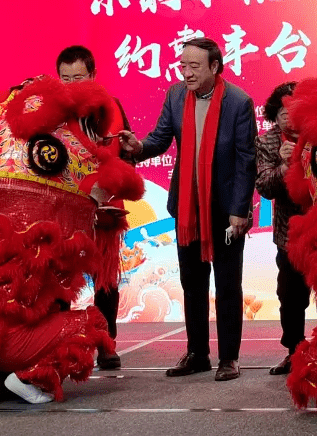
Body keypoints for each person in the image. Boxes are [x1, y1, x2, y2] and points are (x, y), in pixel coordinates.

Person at [118, 38, 257, 382]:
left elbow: (246, 161)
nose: (187, 73)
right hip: (187, 208)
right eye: (183, 66)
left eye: (194, 66)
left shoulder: (238, 102)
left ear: (214, 66)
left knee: (228, 285)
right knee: (192, 283)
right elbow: (160, 139)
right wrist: (138, 147)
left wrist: (240, 209)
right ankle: (197, 353)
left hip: (225, 211)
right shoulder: (177, 95)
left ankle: (229, 358)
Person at [56, 45, 127, 371]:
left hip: (104, 207)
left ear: (93, 75)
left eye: (79, 77)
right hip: (63, 208)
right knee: (59, 281)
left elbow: (125, 154)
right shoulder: (50, 113)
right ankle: (57, 346)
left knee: (105, 282)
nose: (72, 84)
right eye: (65, 78)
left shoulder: (112, 107)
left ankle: (106, 343)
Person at [255, 81, 310, 376]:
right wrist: (285, 167)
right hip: (289, 233)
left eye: (294, 110)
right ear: (274, 115)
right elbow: (265, 186)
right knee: (290, 296)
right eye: (282, 112)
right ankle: (294, 351)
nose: (288, 117)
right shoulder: (268, 142)